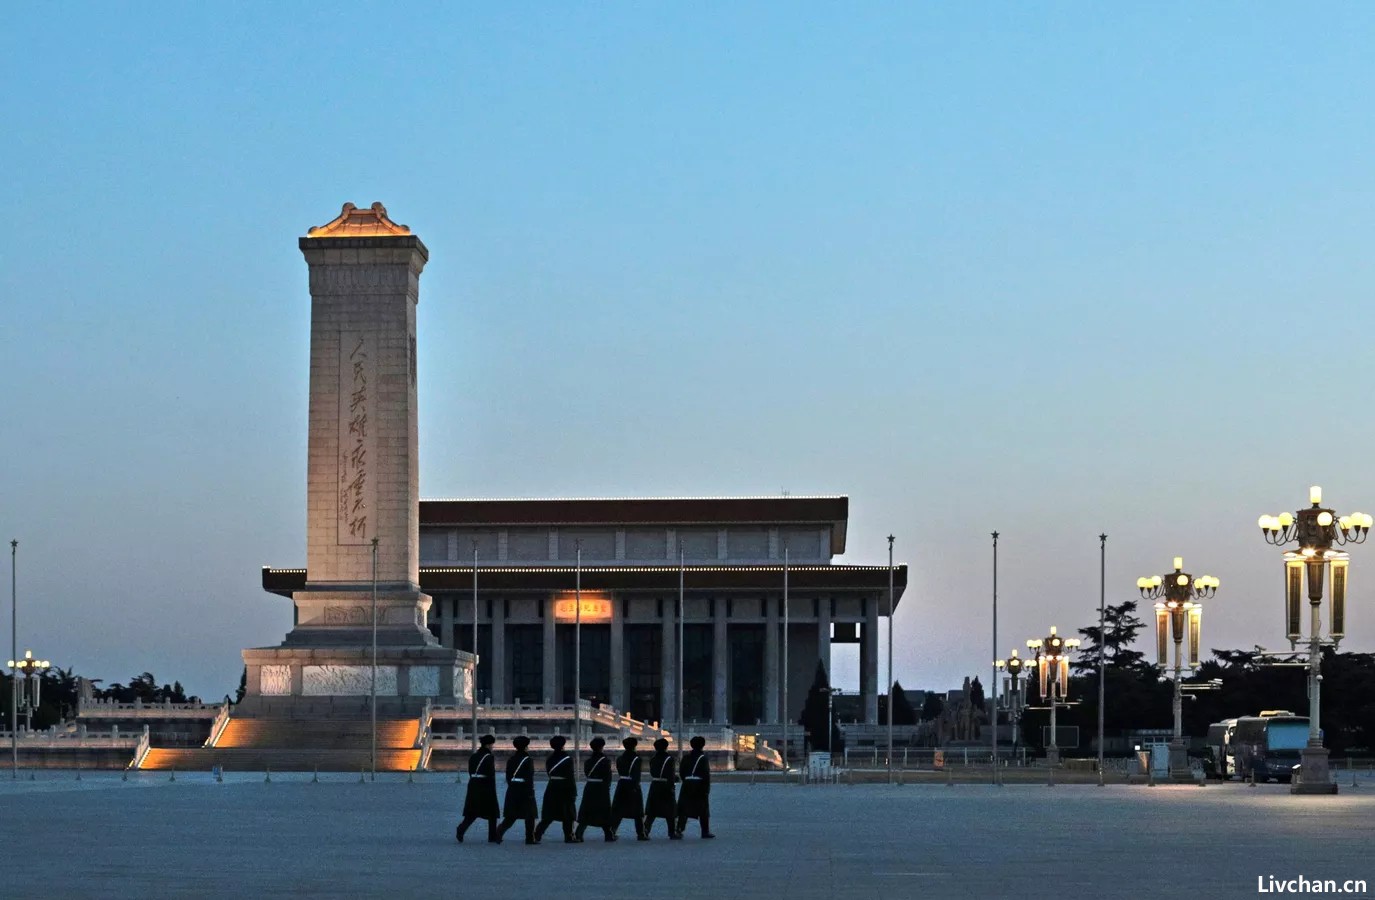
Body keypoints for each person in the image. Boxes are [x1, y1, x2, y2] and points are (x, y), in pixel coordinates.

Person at [495, 735, 539, 844]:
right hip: (525, 790)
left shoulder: (511, 759)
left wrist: (512, 785)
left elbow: (508, 776)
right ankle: (529, 838)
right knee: (530, 815)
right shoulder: (528, 760)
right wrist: (530, 791)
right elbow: (529, 776)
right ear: (525, 747)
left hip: (513, 789)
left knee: (511, 815)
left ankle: (499, 832)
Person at [533, 735, 577, 844]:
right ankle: (569, 836)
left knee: (548, 814)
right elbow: (570, 776)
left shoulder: (550, 758)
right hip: (564, 787)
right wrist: (573, 791)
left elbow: (549, 773)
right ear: (563, 745)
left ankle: (537, 834)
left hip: (552, 786)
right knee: (567, 814)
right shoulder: (568, 759)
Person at [456, 734, 499, 843]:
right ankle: (492, 836)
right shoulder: (489, 757)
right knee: (491, 813)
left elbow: (470, 771)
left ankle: (461, 829)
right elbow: (490, 774)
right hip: (485, 786)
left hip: (473, 784)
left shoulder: (474, 756)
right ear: (488, 745)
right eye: (492, 745)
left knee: (472, 812)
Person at [574, 736, 615, 842]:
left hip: (590, 787)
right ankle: (608, 834)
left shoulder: (588, 761)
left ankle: (579, 833)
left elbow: (587, 773)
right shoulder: (605, 761)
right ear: (602, 747)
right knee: (604, 810)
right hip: (601, 788)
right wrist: (607, 787)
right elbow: (607, 777)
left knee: (587, 810)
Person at [675, 735, 714, 839]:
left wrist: (686, 780)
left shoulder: (686, 757)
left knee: (684, 809)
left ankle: (679, 829)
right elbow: (706, 775)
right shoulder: (703, 758)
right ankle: (705, 832)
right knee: (703, 810)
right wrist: (706, 789)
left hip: (687, 784)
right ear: (703, 745)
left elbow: (681, 772)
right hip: (699, 785)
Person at [610, 736, 648, 840]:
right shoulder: (637, 759)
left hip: (622, 784)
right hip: (632, 785)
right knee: (637, 811)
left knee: (618, 810)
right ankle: (641, 833)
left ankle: (612, 831)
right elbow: (636, 775)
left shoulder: (619, 758)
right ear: (635, 746)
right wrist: (636, 786)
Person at [643, 737, 679, 839]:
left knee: (652, 811)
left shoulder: (653, 759)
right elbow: (670, 775)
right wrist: (672, 786)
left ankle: (646, 829)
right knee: (670, 811)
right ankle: (672, 832)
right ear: (666, 747)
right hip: (666, 785)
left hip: (655, 785)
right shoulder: (669, 759)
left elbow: (652, 772)